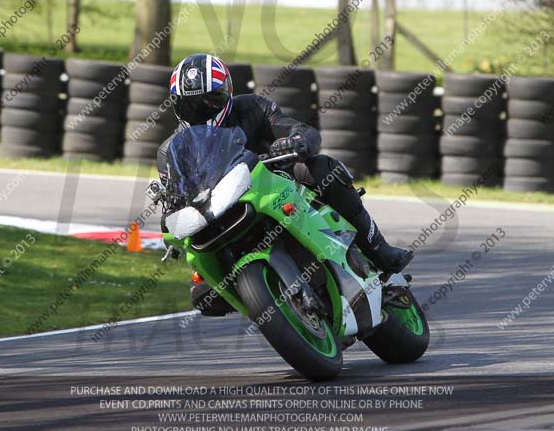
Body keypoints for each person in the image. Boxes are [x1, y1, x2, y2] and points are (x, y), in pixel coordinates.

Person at [157, 54, 413, 313]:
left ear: (228, 92)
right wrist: (169, 219)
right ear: (177, 105)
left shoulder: (252, 108)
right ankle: (259, 297)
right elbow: (173, 198)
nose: (203, 109)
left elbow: (299, 130)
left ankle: (378, 248)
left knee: (322, 169)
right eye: (192, 105)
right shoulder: (172, 150)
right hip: (221, 212)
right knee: (203, 292)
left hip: (272, 184)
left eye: (211, 99)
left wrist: (297, 141)